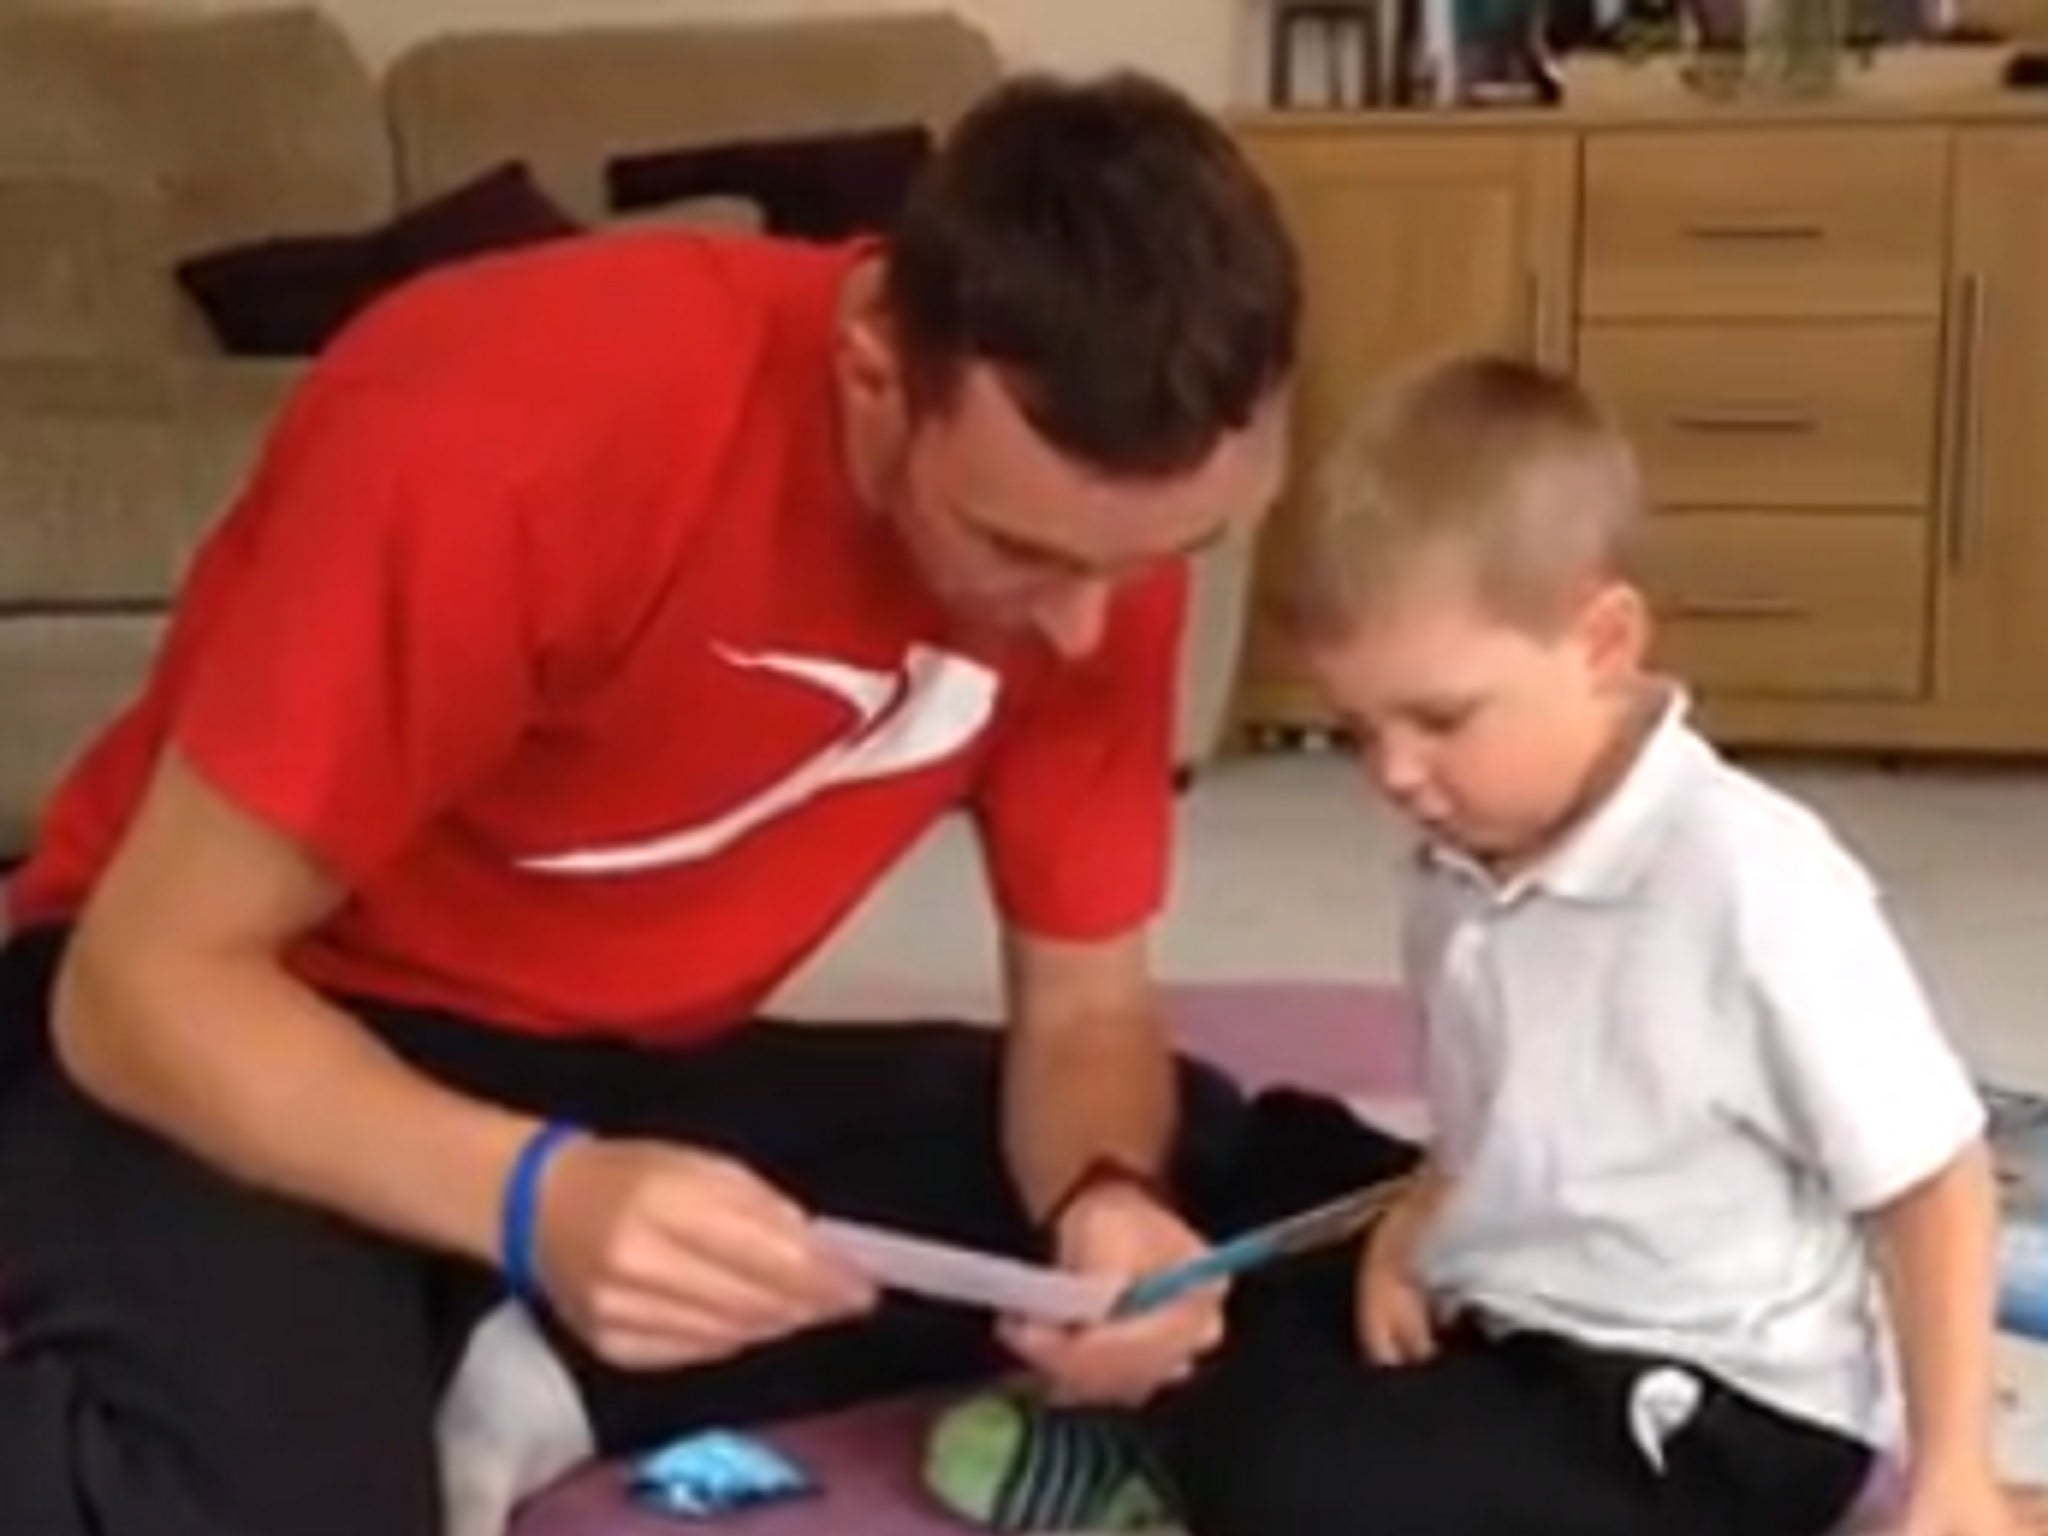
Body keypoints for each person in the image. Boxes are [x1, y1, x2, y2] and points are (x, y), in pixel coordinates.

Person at [0, 71, 1298, 1536]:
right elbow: (137, 986)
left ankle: (512, 1353)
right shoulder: (507, 429)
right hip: (228, 1017)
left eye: (1164, 552)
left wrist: (1103, 1208)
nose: (1087, 629)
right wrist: (533, 1201)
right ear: (874, 365)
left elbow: (1086, 1017)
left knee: (1187, 1176)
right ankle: (406, 1293)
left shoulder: (1103, 545)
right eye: (1021, 549)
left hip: (598, 1066)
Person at [1148, 354, 2018, 1536]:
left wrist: (1951, 1474)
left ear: (1601, 643)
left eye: (1440, 719)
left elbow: (1933, 1180)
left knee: (1282, 1476)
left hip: (1711, 1407)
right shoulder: (1452, 861)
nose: (1393, 773)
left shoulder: (1752, 881)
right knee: (1242, 1193)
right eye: (1357, 728)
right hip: (1517, 1302)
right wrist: (1415, 1223)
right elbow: (1491, 1107)